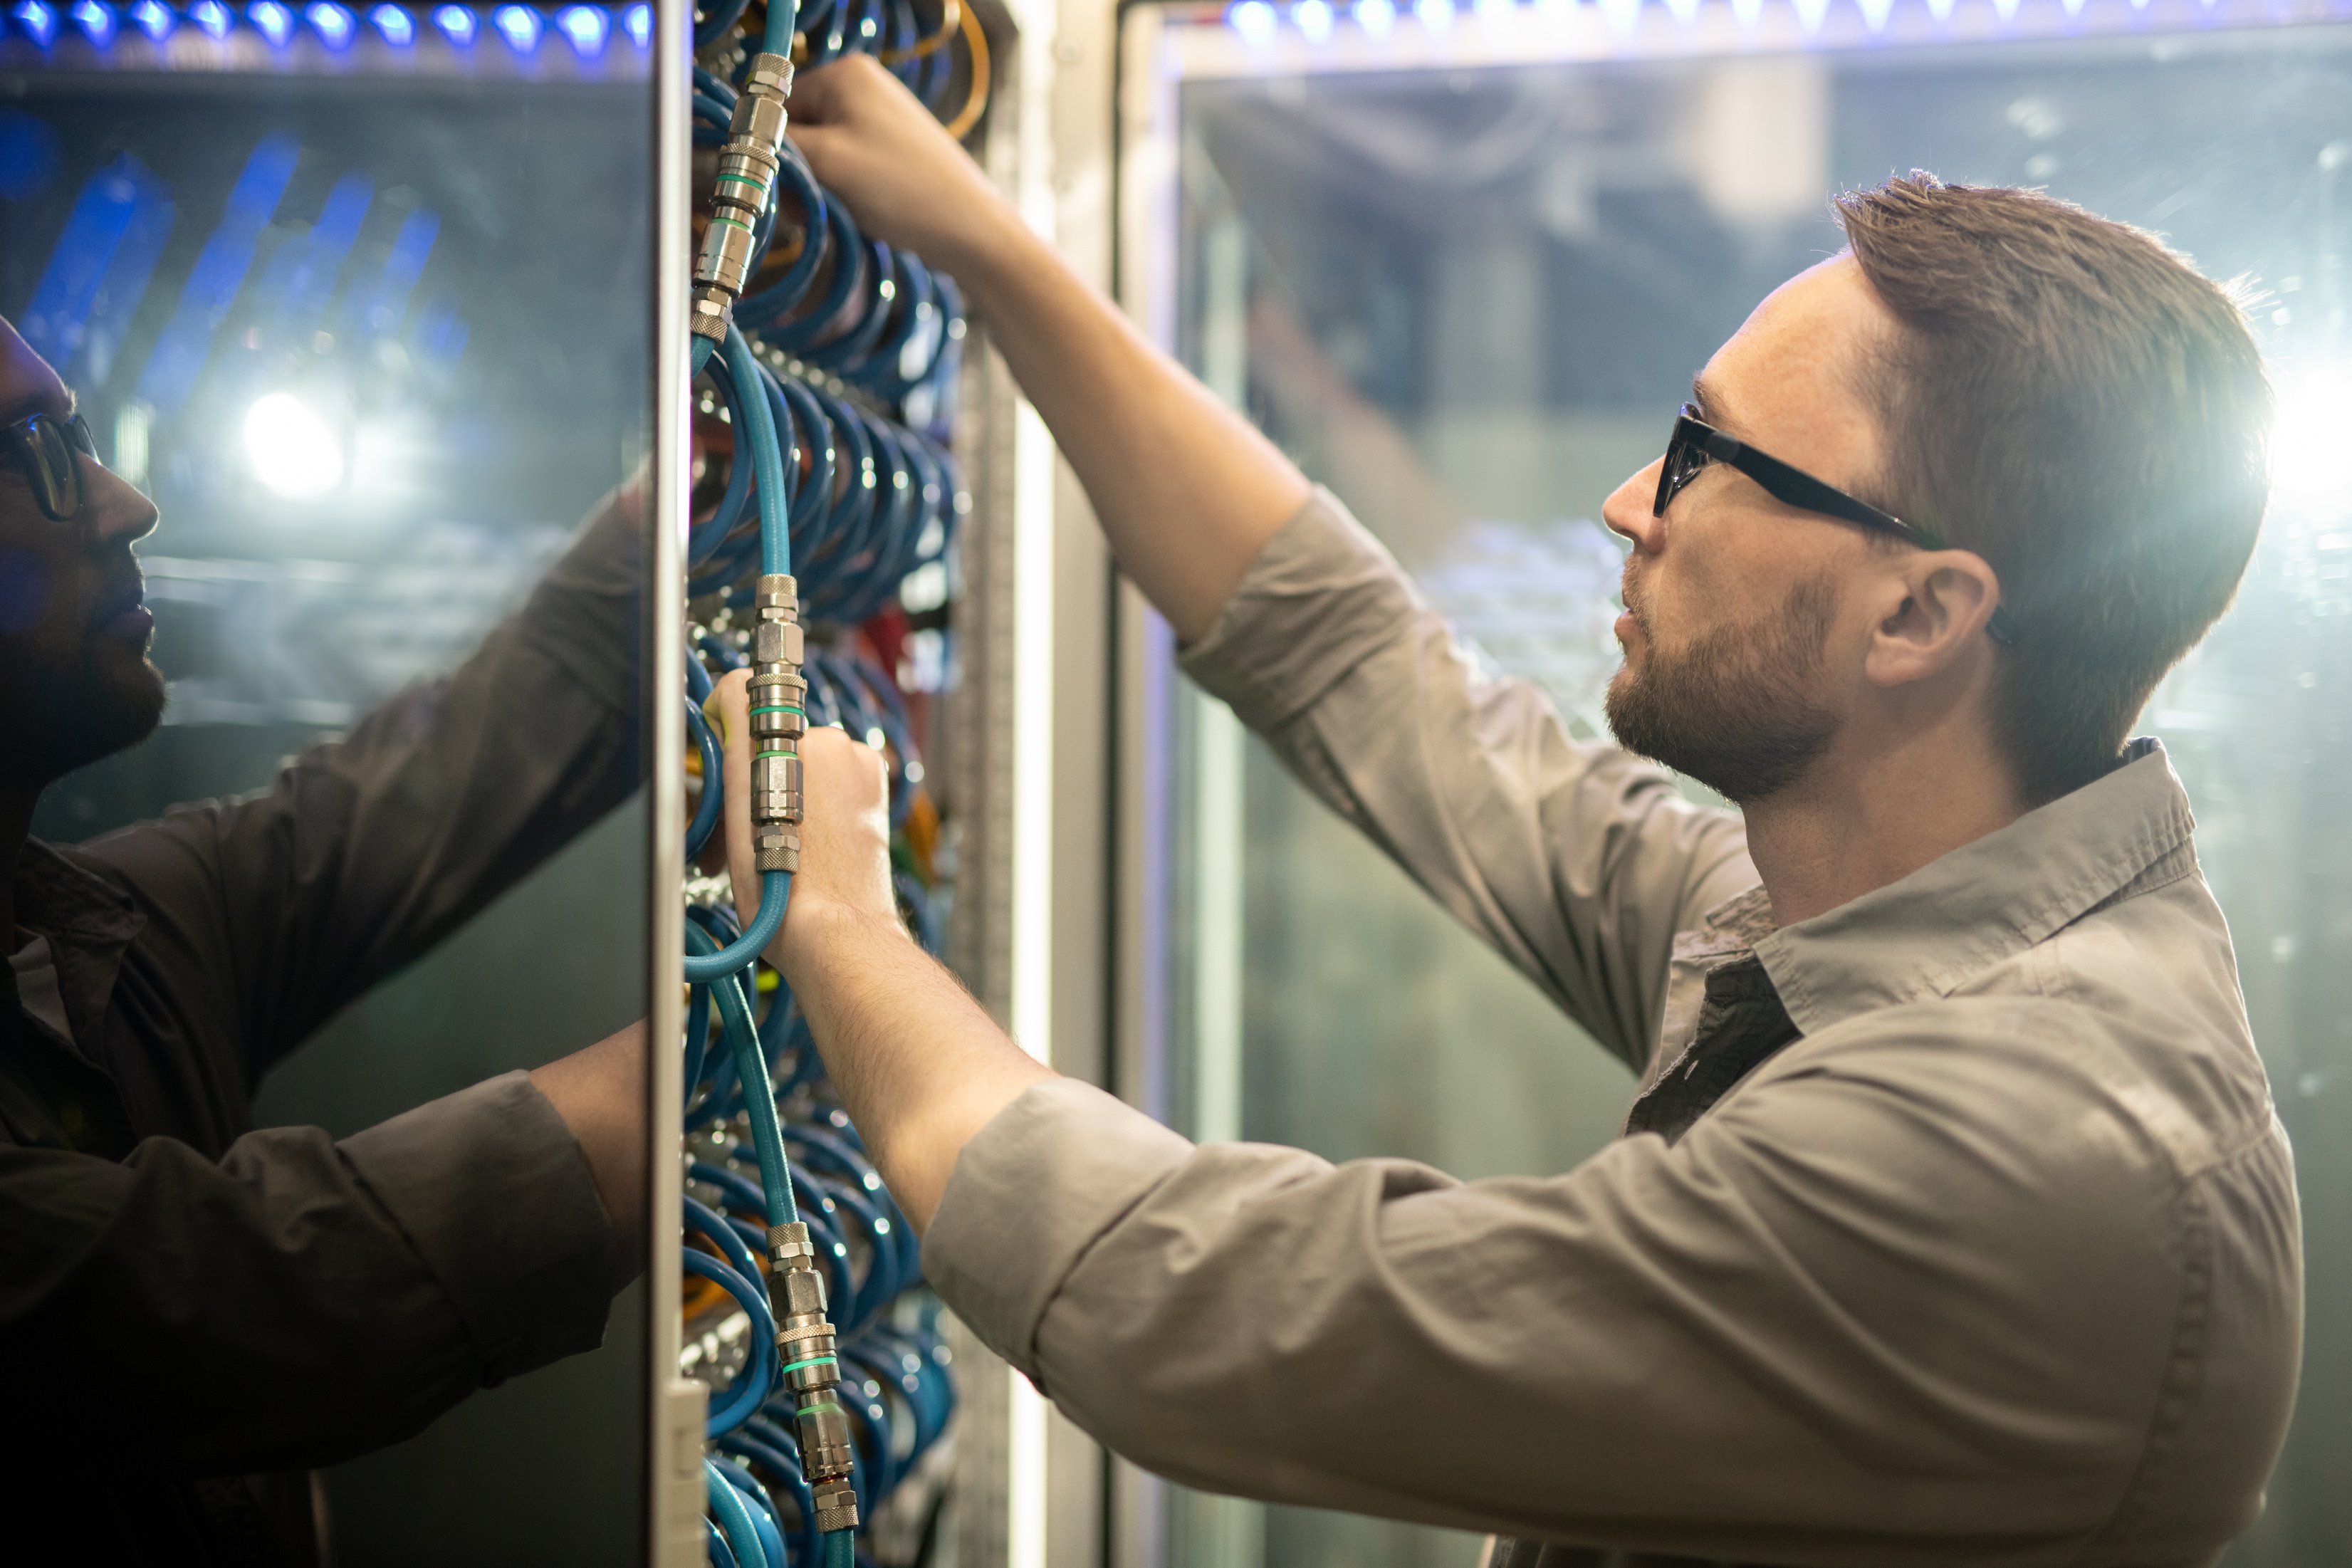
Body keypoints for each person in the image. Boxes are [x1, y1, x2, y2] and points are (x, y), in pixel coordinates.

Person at [717, 55, 2303, 1568]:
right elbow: (1366, 674)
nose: (1630, 503)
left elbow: (1195, 1311)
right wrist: (994, 252)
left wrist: (842, 919)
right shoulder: (1874, 913)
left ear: (1917, 618)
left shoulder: (2022, 1156)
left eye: (1707, 456)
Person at [0, 314, 650, 1564]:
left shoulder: (102, 937)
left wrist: (690, 478)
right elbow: (270, 1288)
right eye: (41, 456)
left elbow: (425, 787)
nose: (127, 503)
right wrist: (816, 985)